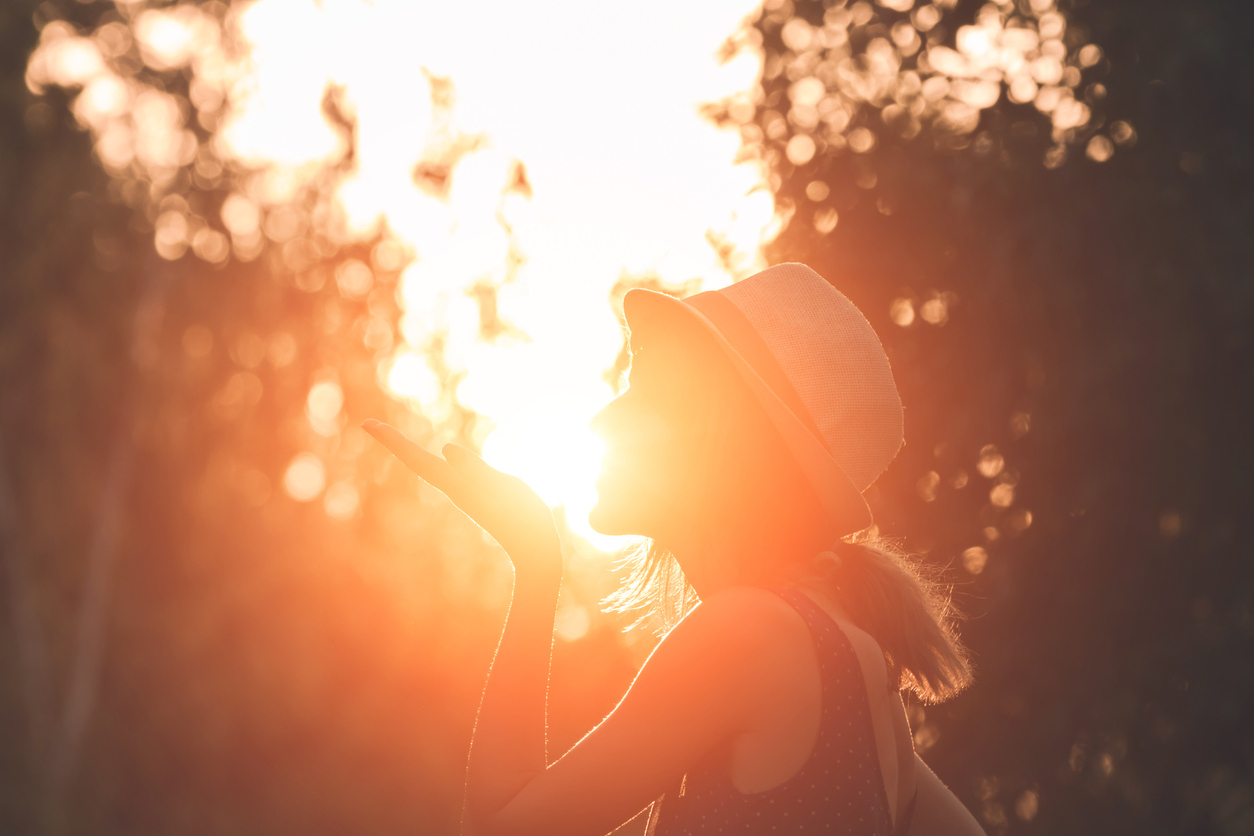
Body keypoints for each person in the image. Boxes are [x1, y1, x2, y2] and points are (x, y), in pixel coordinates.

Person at [363, 262, 985, 836]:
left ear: (715, 435)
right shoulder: (855, 662)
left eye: (643, 393)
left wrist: (535, 567)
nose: (600, 422)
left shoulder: (748, 632)